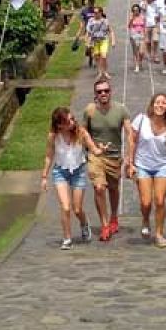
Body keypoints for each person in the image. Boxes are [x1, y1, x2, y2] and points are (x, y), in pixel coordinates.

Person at [40, 106, 103, 249]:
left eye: (72, 119)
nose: (72, 122)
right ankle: (67, 238)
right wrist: (44, 176)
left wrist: (101, 150)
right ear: (59, 125)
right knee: (65, 207)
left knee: (77, 209)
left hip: (78, 171)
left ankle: (83, 223)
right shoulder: (53, 136)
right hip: (60, 171)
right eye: (68, 121)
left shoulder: (81, 132)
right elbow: (49, 156)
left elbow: (94, 149)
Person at [127, 92, 166, 248]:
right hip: (143, 164)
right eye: (157, 102)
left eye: (163, 103)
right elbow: (132, 140)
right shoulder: (141, 120)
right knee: (146, 202)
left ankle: (159, 233)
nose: (160, 105)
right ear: (152, 105)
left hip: (162, 166)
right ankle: (145, 219)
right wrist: (130, 163)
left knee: (159, 200)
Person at [83, 77, 133, 241]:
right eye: (99, 92)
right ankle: (104, 225)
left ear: (111, 92)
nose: (103, 94)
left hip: (114, 157)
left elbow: (130, 134)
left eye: (106, 91)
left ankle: (113, 217)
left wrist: (129, 159)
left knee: (113, 189)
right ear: (95, 94)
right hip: (96, 156)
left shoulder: (121, 109)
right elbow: (83, 132)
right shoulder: (89, 110)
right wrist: (93, 149)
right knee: (99, 188)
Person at [84, 6, 114, 78]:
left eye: (97, 12)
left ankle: (105, 72)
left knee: (103, 56)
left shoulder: (105, 21)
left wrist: (113, 41)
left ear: (101, 13)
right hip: (94, 41)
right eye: (94, 12)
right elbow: (88, 32)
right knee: (96, 57)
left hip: (104, 40)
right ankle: (100, 72)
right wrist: (87, 42)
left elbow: (111, 31)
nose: (95, 14)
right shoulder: (91, 21)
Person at [127, 3, 147, 73]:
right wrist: (132, 19)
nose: (136, 11)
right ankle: (137, 66)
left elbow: (145, 26)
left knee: (141, 52)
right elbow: (129, 26)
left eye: (137, 10)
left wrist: (145, 35)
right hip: (134, 35)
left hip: (141, 35)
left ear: (139, 10)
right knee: (135, 52)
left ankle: (140, 61)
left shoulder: (142, 17)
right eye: (134, 10)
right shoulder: (131, 17)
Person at [78, 0, 97, 68]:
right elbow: (81, 19)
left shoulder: (96, 10)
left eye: (92, 4)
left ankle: (94, 60)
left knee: (94, 47)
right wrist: (81, 26)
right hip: (87, 32)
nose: (91, 5)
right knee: (88, 48)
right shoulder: (84, 11)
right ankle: (89, 55)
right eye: (90, 3)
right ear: (88, 3)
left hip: (95, 32)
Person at [143, 0, 160, 65]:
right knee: (147, 41)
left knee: (155, 40)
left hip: (154, 25)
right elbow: (144, 9)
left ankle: (155, 55)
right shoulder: (143, 4)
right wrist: (146, 1)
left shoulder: (155, 4)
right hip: (147, 25)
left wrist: (158, 25)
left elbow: (158, 15)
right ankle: (149, 54)